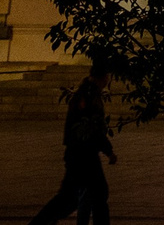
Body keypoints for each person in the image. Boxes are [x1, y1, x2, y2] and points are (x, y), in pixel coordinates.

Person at [27, 61, 115, 225]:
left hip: (80, 153)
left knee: (87, 195)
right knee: (79, 196)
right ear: (103, 78)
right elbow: (92, 127)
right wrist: (108, 150)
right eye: (107, 77)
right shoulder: (88, 96)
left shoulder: (87, 93)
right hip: (83, 154)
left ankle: (41, 222)